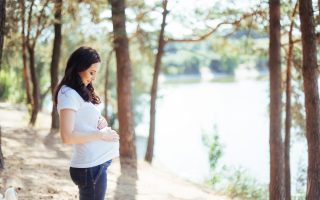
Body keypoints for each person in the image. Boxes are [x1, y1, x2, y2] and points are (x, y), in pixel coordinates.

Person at [54, 46, 119, 200]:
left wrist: (99, 121)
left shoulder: (78, 91)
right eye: (91, 72)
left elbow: (83, 121)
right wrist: (101, 135)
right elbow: (67, 137)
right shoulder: (67, 94)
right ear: (78, 67)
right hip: (90, 167)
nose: (93, 77)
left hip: (95, 165)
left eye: (96, 73)